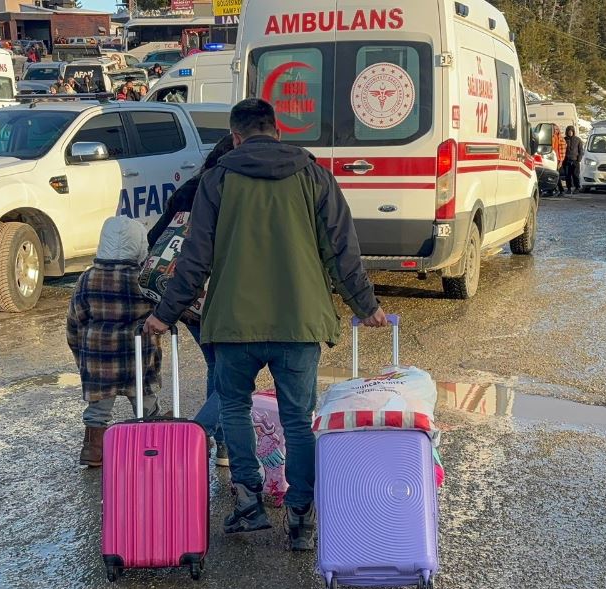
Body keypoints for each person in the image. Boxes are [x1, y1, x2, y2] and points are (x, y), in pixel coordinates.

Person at [144, 99, 387, 551]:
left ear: (236, 137)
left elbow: (194, 261)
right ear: (277, 131)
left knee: (233, 407)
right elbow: (341, 249)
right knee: (298, 419)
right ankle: (300, 519)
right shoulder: (314, 174)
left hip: (234, 322)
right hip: (298, 322)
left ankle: (249, 503)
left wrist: (164, 313)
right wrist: (365, 305)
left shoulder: (216, 179)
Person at [145, 135, 237, 466]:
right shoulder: (230, 193)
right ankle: (196, 434)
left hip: (185, 299)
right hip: (222, 295)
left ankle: (225, 445)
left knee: (218, 365)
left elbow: (154, 239)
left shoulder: (189, 188)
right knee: (236, 376)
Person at [67, 216, 162, 467]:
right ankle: (152, 443)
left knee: (98, 408)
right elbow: (159, 313)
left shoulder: (87, 279)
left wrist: (81, 357)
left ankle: (93, 448)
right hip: (138, 357)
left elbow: (75, 320)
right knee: (146, 402)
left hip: (99, 359)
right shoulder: (144, 279)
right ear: (140, 244)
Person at [562, 125, 583, 195]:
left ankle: (577, 188)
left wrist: (579, 159)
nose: (570, 133)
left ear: (573, 132)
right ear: (567, 132)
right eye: (568, 131)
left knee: (575, 175)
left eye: (571, 131)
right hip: (566, 160)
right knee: (567, 175)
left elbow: (581, 150)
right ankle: (568, 188)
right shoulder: (564, 139)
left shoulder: (578, 140)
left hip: (575, 160)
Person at [552, 126, 567, 196]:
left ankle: (561, 190)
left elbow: (563, 151)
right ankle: (553, 190)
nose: (555, 130)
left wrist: (561, 161)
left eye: (557, 129)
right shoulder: (550, 137)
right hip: (550, 158)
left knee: (556, 174)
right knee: (551, 174)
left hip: (557, 159)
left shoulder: (561, 139)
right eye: (554, 129)